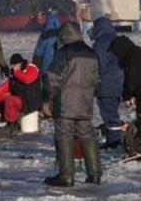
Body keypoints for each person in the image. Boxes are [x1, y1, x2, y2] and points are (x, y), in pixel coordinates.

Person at [44, 22, 101, 187]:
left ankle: (66, 176)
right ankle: (95, 174)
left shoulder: (64, 52)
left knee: (64, 135)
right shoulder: (91, 53)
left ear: (63, 36)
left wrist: (49, 97)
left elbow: (52, 77)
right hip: (85, 101)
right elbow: (97, 79)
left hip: (65, 102)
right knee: (87, 135)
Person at [90, 17, 124, 149]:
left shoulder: (101, 43)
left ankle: (114, 140)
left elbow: (99, 64)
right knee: (112, 111)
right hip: (118, 82)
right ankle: (114, 137)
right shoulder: (116, 39)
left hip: (106, 84)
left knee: (109, 113)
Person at [0, 53, 42, 129]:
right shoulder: (14, 73)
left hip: (31, 101)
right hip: (22, 99)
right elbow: (7, 86)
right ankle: (4, 121)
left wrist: (16, 73)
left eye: (16, 65)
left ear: (21, 63)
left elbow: (27, 79)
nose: (14, 68)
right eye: (13, 66)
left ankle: (11, 124)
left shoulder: (32, 69)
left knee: (10, 99)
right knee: (2, 99)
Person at [32, 11, 61, 77]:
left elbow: (38, 53)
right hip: (59, 71)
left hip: (46, 70)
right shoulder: (62, 34)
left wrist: (35, 66)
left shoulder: (45, 35)